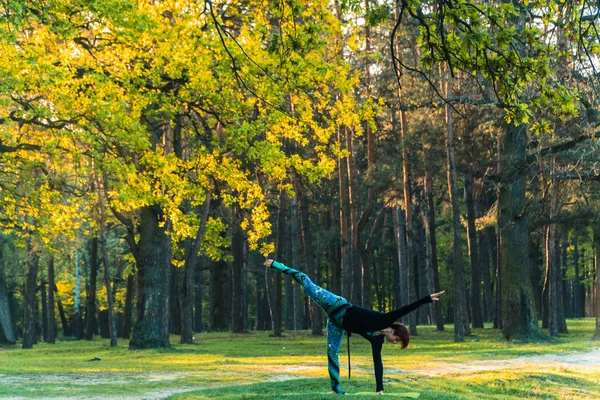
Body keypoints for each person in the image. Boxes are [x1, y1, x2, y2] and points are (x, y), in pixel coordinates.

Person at [264, 259, 444, 395]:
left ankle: (336, 389)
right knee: (307, 283)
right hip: (336, 305)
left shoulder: (377, 340)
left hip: (337, 323)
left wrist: (379, 389)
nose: (393, 342)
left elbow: (377, 363)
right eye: (396, 340)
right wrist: (428, 299)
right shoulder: (385, 319)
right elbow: (407, 308)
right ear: (395, 332)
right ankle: (277, 265)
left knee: (332, 352)